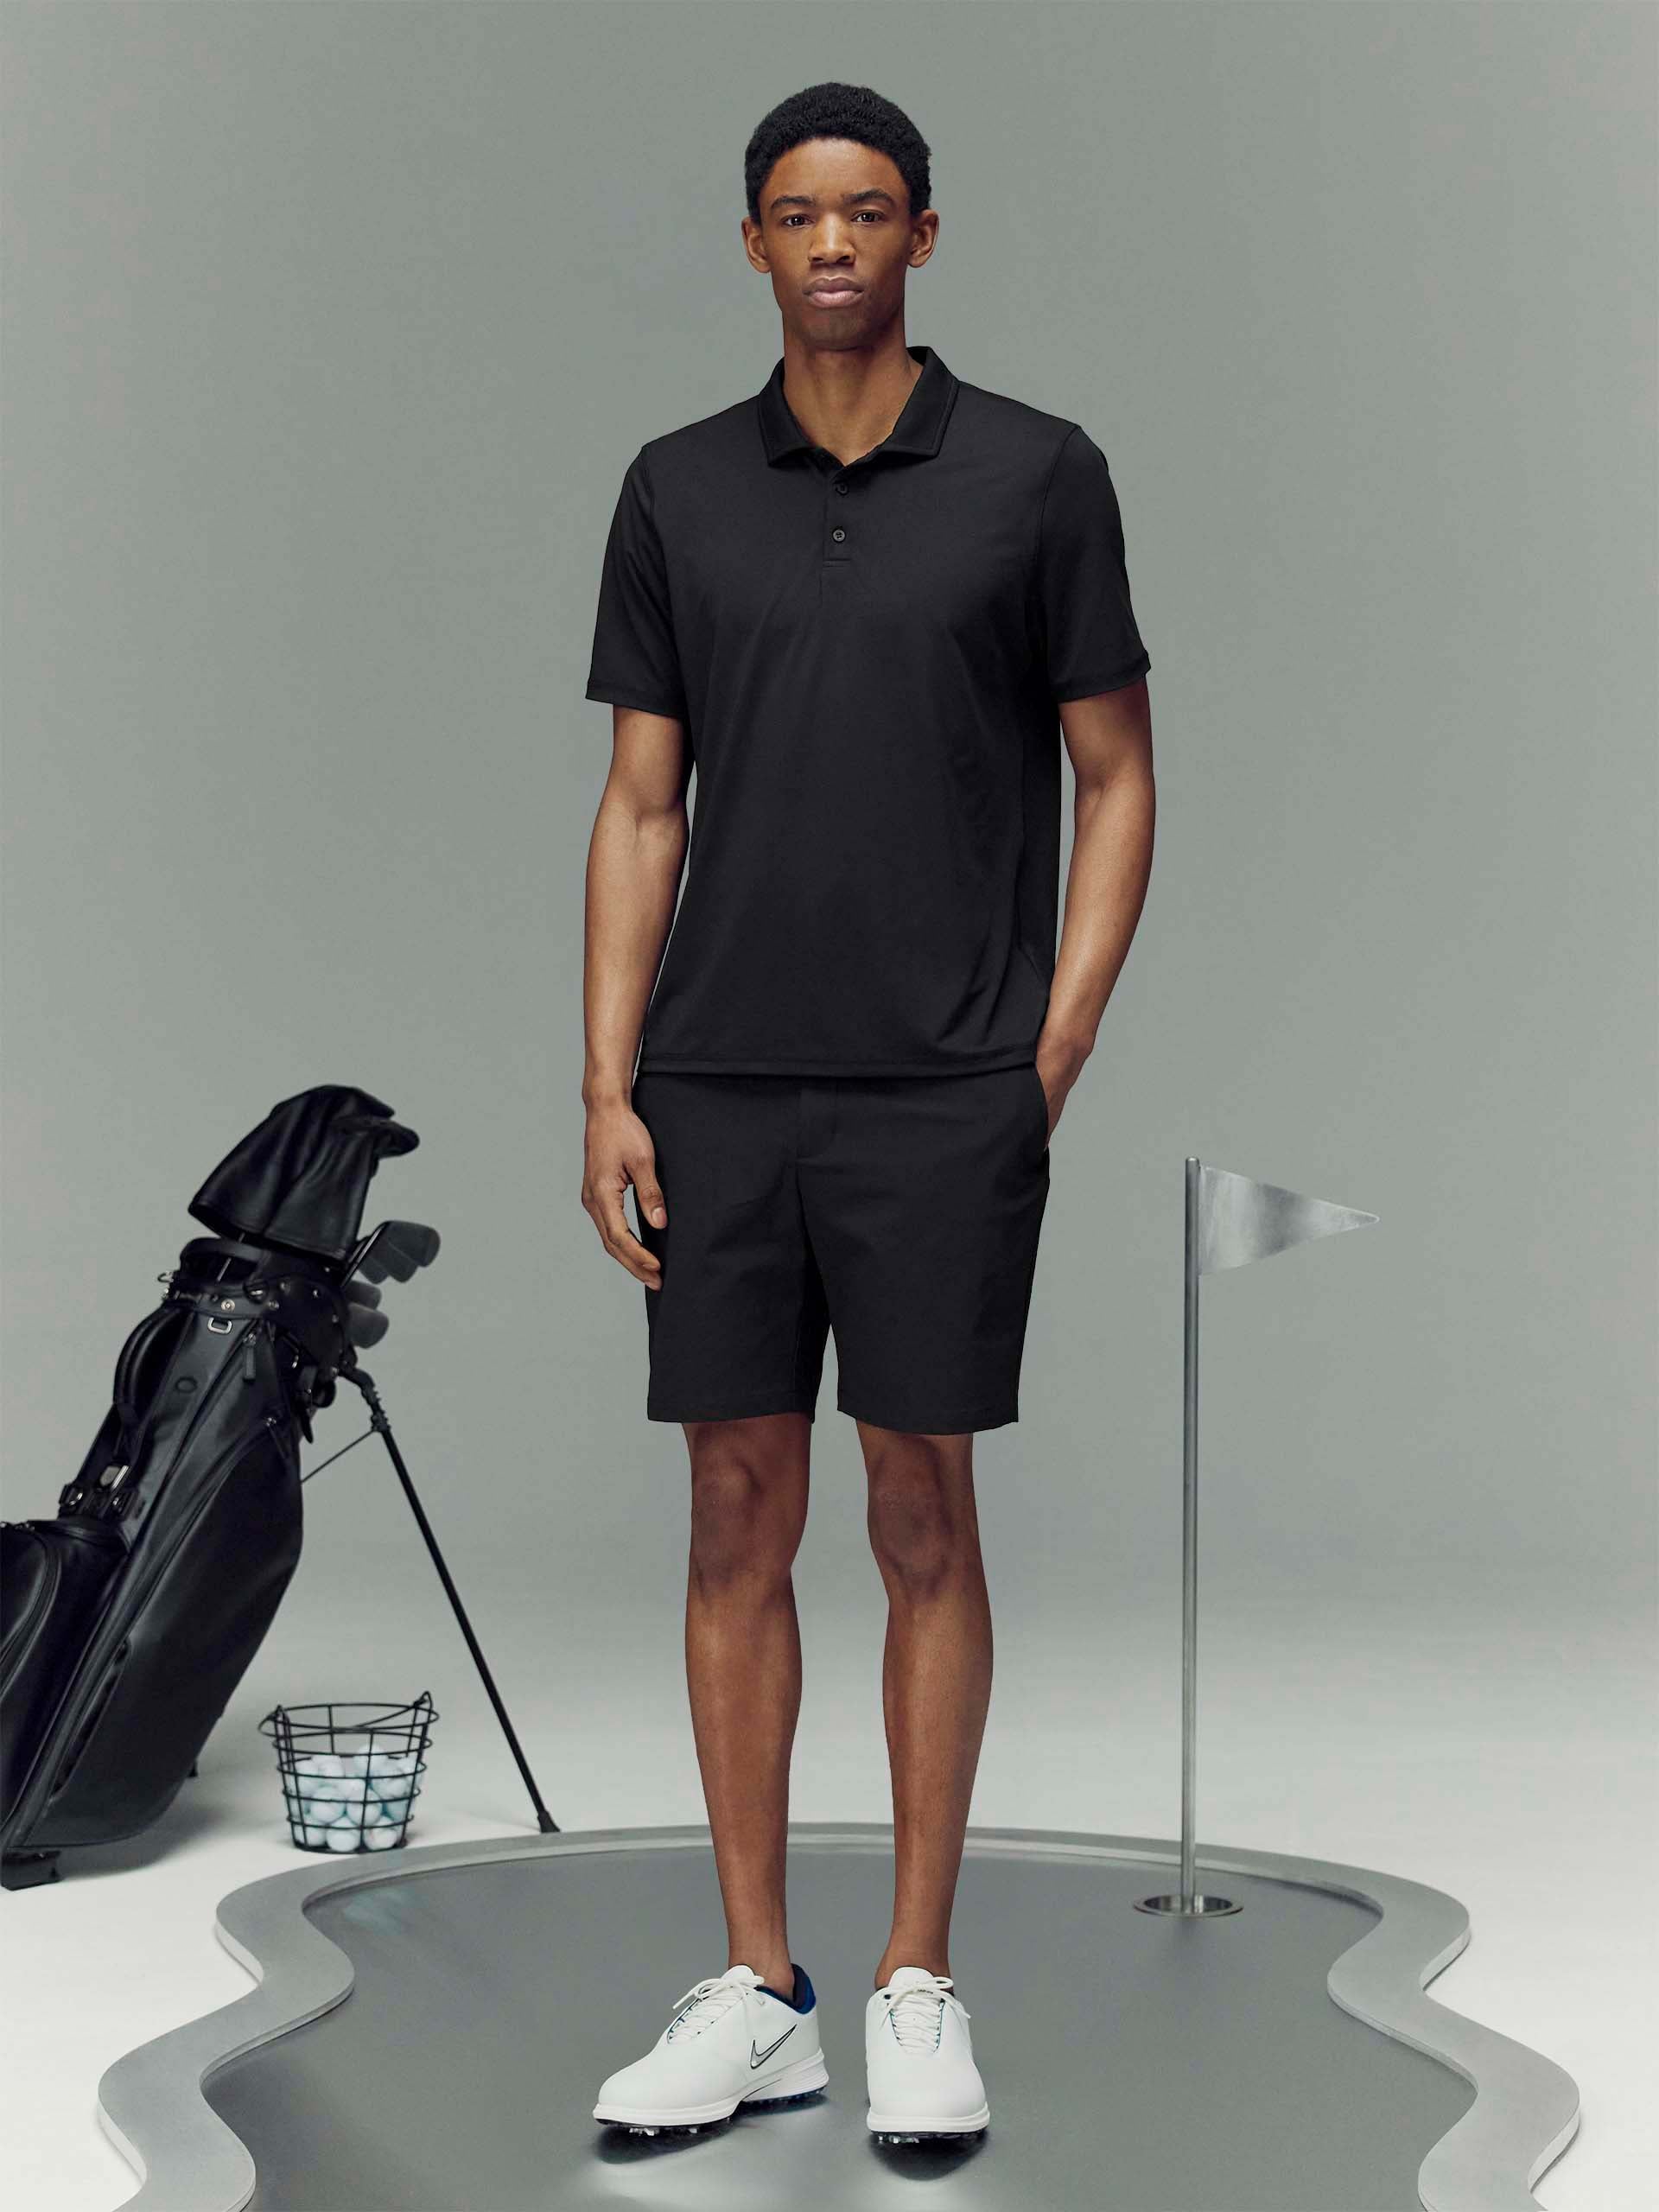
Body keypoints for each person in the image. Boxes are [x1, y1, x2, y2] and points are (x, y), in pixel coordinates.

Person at [580, 79, 1154, 2143]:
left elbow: (1119, 775)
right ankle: (763, 1988)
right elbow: (642, 806)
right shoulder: (675, 487)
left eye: (871, 208)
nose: (835, 241)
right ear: (753, 241)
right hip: (718, 1085)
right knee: (736, 1513)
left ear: (923, 233)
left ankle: (918, 1979)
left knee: (924, 1513)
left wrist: (1045, 1057)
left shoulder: (1036, 473)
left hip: (941, 1093)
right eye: (800, 212)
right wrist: (606, 1083)